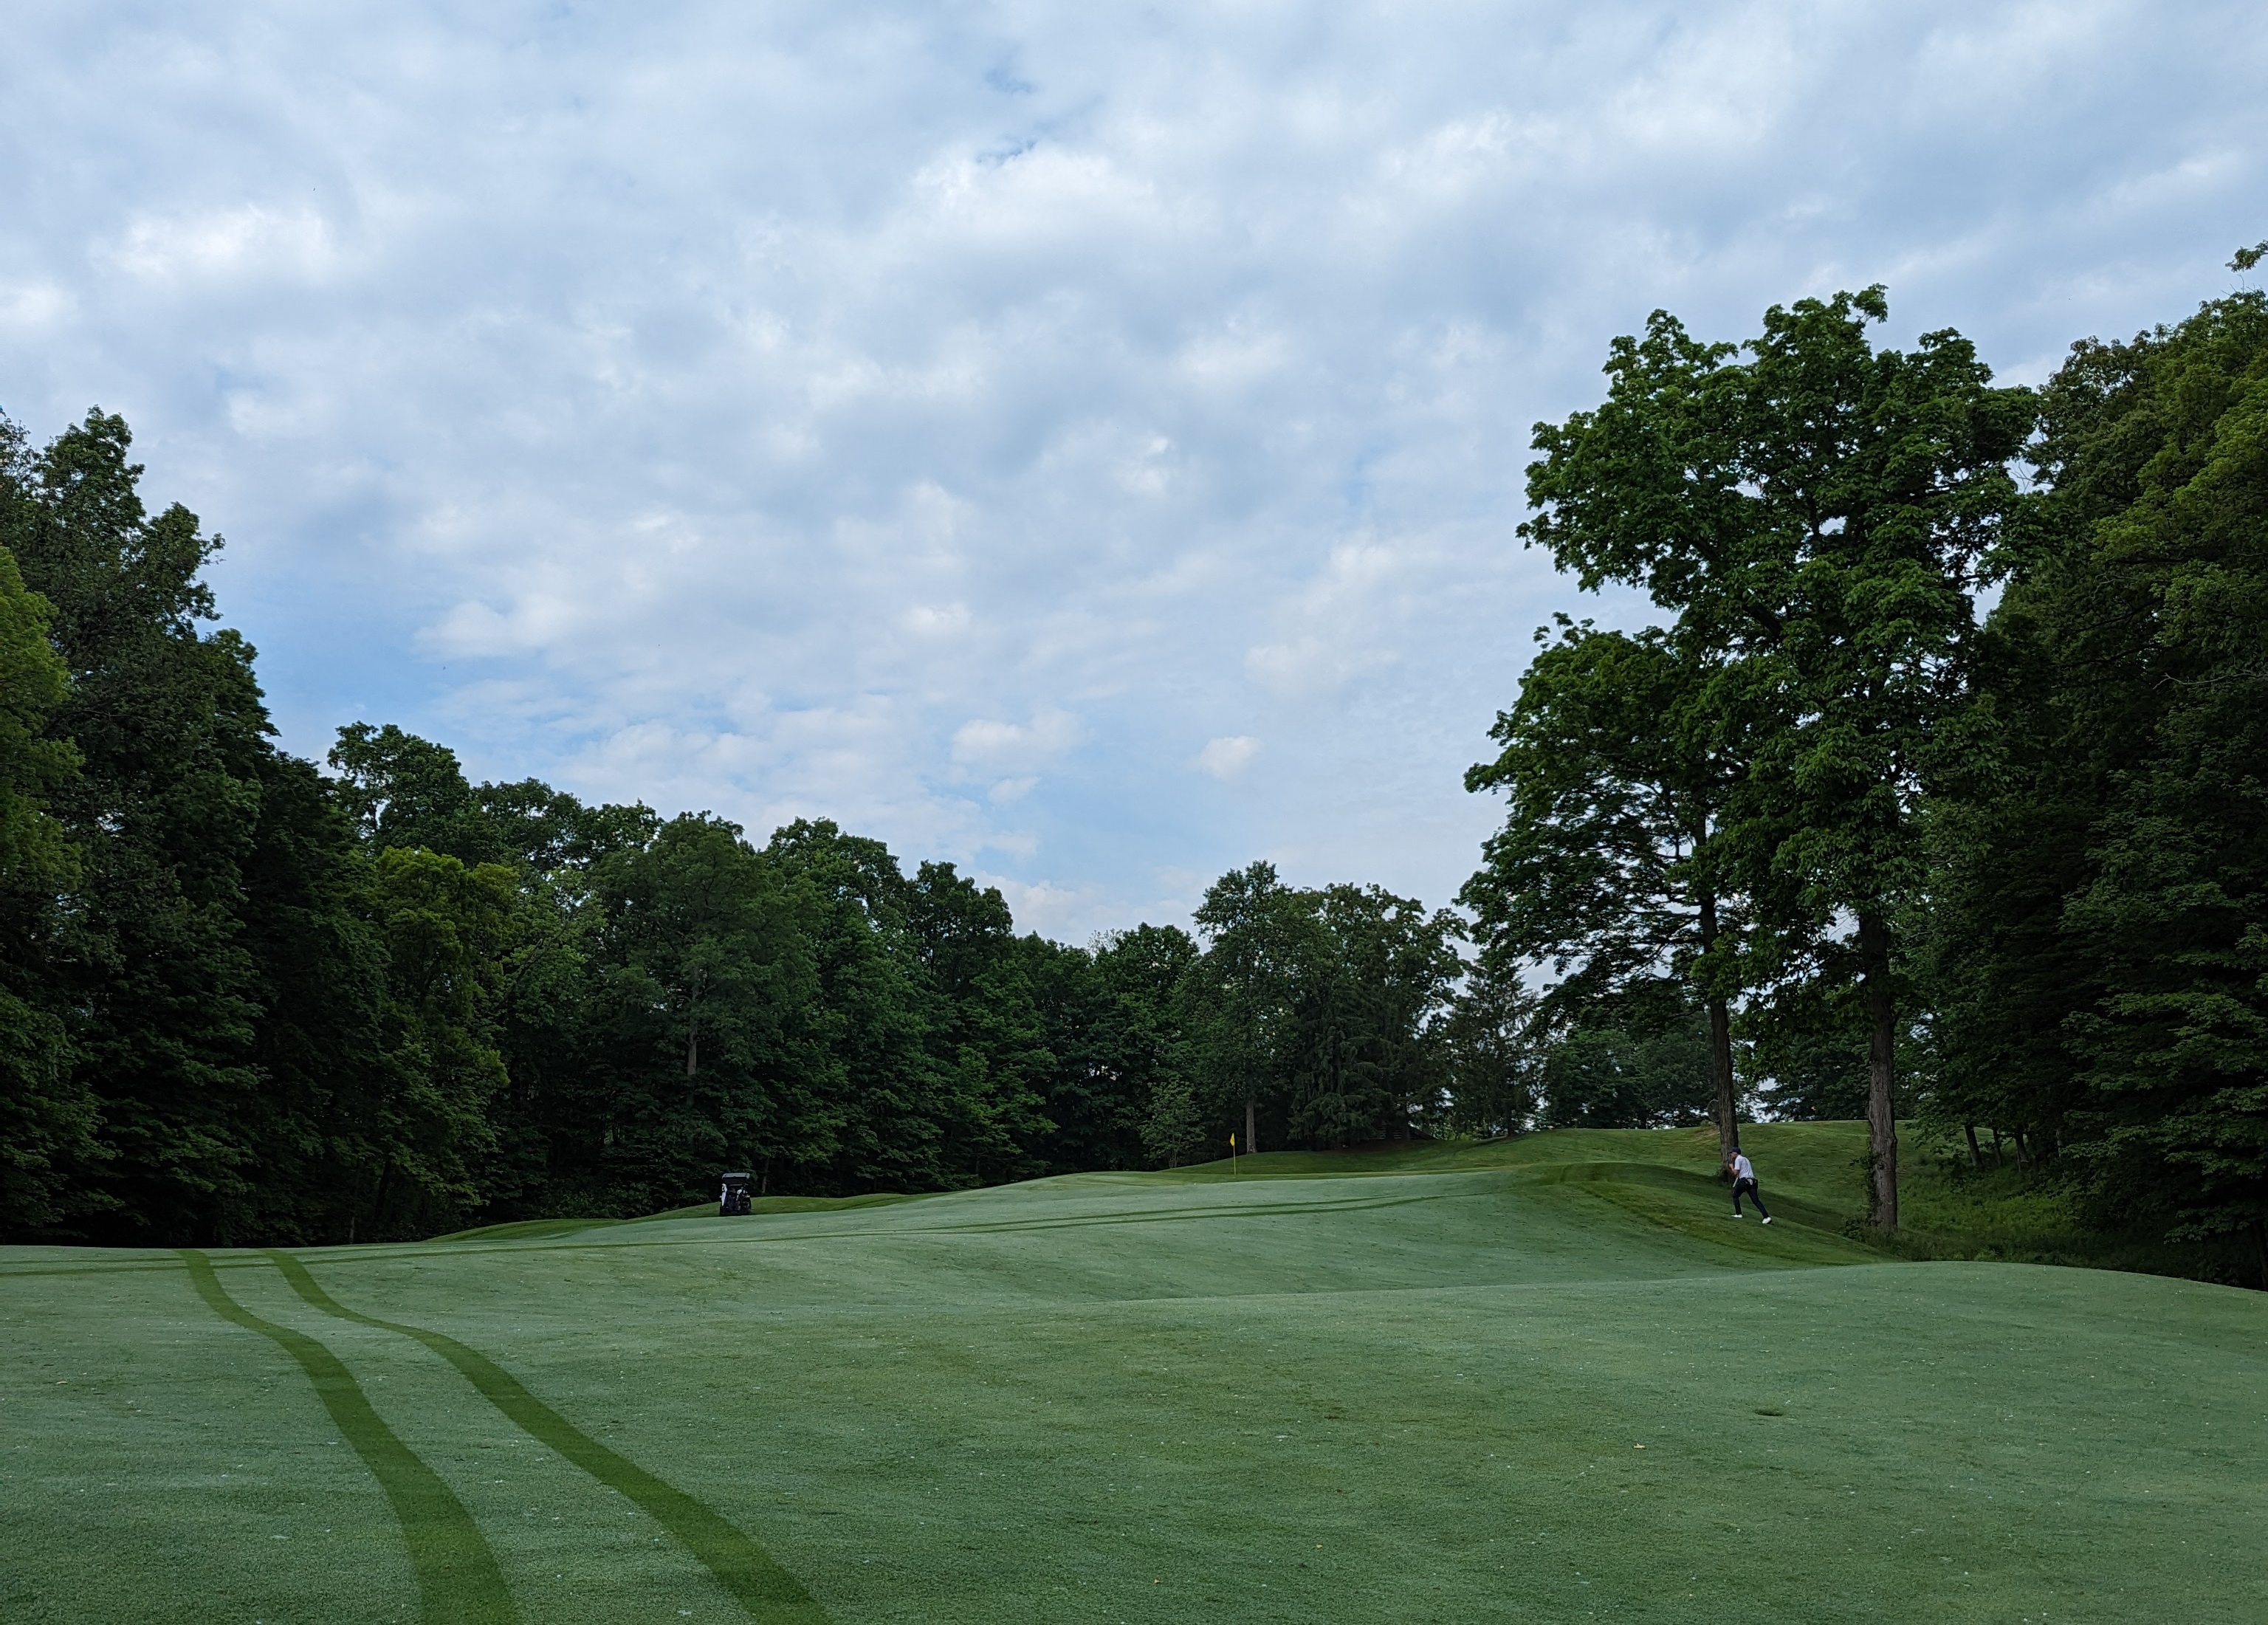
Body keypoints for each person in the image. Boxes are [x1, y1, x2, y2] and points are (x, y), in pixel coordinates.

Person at [1728, 1149, 1771, 1223]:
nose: (1731, 1154)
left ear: (1736, 1153)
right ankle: (1766, 1217)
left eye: (1732, 1153)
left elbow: (1736, 1173)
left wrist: (1731, 1167)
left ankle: (1738, 1214)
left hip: (1744, 1181)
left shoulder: (1738, 1159)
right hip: (1752, 1181)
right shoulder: (1745, 1159)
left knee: (1735, 1196)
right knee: (1756, 1200)